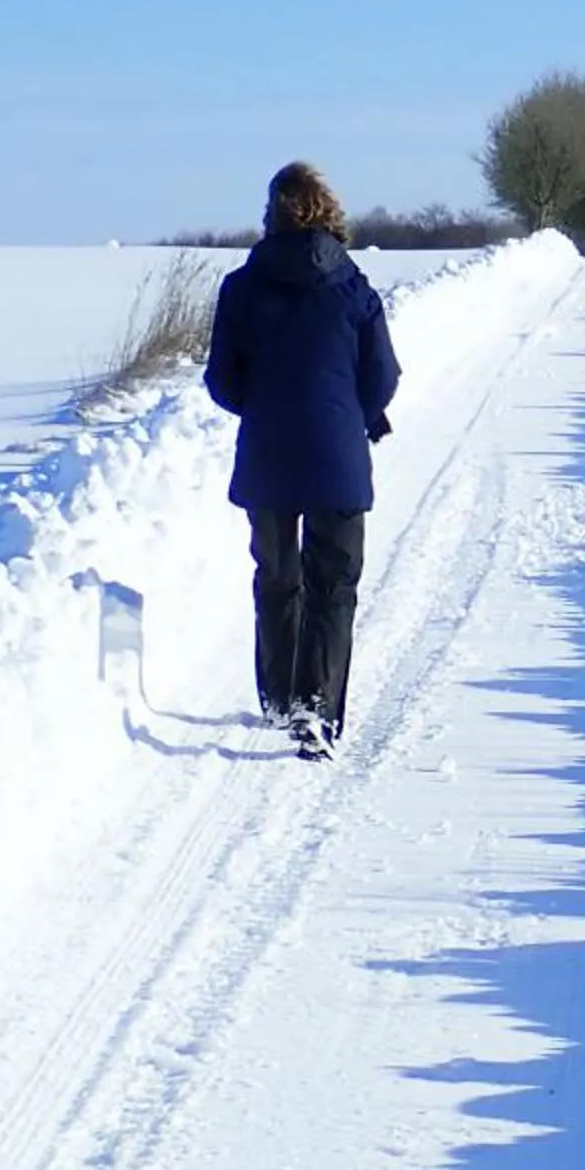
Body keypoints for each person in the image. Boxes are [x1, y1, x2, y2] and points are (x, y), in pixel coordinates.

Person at [202, 162, 401, 760]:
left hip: (267, 454)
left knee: (278, 578)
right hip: (338, 456)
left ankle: (279, 697)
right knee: (333, 585)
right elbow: (383, 375)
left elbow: (222, 380)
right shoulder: (353, 287)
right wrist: (353, 417)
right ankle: (316, 708)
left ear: (272, 214)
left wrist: (261, 409)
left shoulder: (241, 287)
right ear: (328, 212)